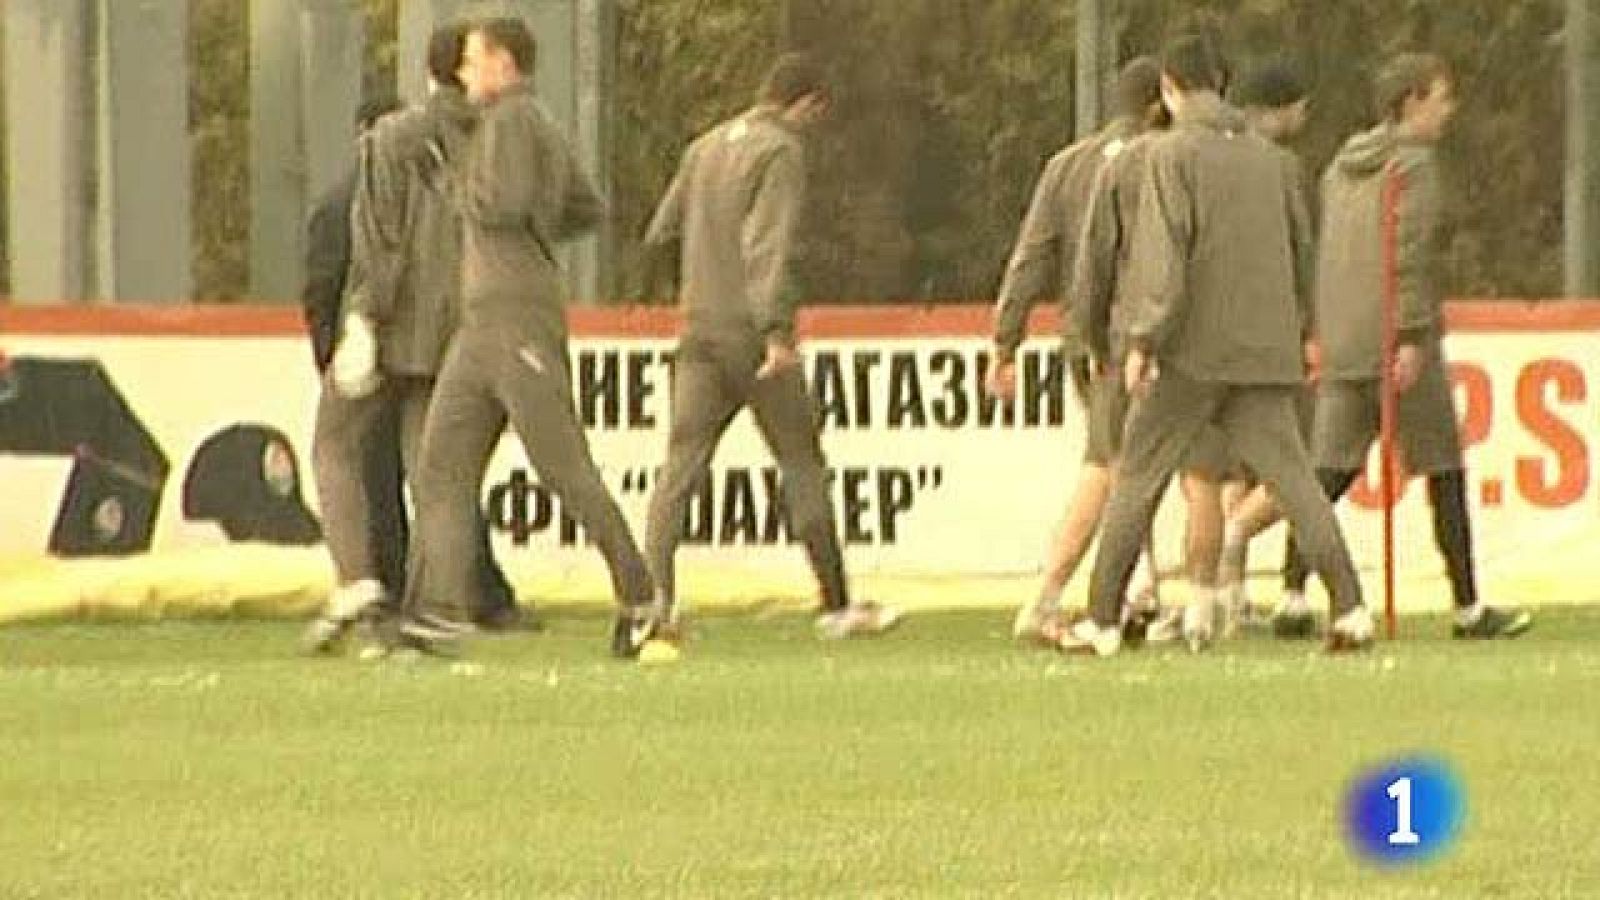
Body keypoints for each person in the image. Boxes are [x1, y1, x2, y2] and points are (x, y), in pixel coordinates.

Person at [1059, 34, 1371, 658]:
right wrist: (1303, 329)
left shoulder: (1169, 156)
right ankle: (1352, 607)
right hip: (1264, 350)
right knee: (1295, 482)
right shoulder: (1274, 161)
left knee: (1138, 477)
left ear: (1170, 88)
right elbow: (1300, 251)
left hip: (1190, 353)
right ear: (1222, 87)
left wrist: (1145, 339)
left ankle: (1100, 620)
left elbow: (1166, 256)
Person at [1218, 53, 1532, 641]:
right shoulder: (1415, 166)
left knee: (1327, 473)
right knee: (1442, 467)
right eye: (1441, 97)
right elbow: (1408, 253)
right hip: (1396, 339)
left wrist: (1323, 330)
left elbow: (1326, 252)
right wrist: (1411, 334)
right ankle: (1467, 606)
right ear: (1412, 101)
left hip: (1344, 340)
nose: (1449, 110)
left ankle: (1292, 593)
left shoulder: (1341, 166)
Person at [395, 17, 659, 658]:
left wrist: (451, 182)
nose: (463, 73)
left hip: (512, 317)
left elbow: (501, 201)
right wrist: (532, 220)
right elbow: (585, 206)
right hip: (483, 320)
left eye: (474, 60)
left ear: (505, 62)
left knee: (563, 468)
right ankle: (434, 610)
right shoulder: (528, 123)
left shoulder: (511, 121)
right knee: (440, 465)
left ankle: (644, 597)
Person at [639, 53, 899, 639]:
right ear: (806, 104)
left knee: (680, 467)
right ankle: (836, 604)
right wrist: (776, 330)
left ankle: (653, 601)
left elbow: (662, 231)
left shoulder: (703, 147)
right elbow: (769, 247)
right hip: (752, 336)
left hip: (698, 328)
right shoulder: (781, 151)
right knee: (802, 464)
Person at [301, 28, 521, 656]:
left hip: (390, 324)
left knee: (334, 449)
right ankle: (436, 611)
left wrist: (363, 320)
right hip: (456, 333)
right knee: (437, 477)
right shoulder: (495, 142)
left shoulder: (390, 140)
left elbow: (378, 242)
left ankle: (359, 583)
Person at [986, 56, 1166, 645]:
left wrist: (1005, 341)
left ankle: (1143, 589)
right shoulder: (1153, 162)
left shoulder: (1065, 165)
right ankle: (1047, 597)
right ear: (1158, 103)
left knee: (1132, 463)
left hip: (1083, 338)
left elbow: (1031, 255)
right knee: (1111, 467)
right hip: (1126, 338)